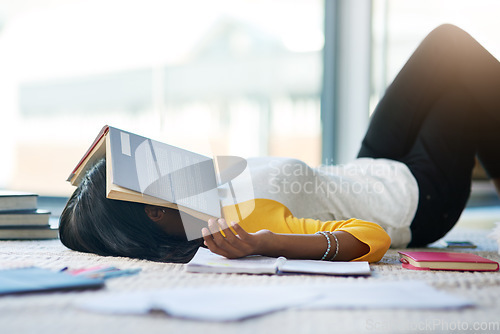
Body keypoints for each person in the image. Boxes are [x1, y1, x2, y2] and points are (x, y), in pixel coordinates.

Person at [59, 24, 500, 264]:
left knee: (445, 44)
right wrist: (268, 243)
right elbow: (374, 237)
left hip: (366, 168)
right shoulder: (241, 232)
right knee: (463, 87)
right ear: (154, 209)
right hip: (415, 198)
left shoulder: (206, 187)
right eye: (150, 173)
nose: (161, 161)